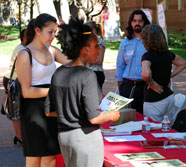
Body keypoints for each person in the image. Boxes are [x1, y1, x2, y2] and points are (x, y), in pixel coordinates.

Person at [45, 18, 120, 167]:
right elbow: (94, 118)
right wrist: (112, 115)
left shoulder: (59, 72)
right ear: (85, 49)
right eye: (96, 46)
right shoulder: (88, 75)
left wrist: (70, 112)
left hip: (65, 136)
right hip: (85, 138)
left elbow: (49, 111)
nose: (99, 49)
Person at [15, 13, 69, 167]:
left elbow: (74, 62)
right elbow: (27, 91)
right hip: (33, 110)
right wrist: (54, 90)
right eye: (50, 32)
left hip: (51, 108)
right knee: (34, 157)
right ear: (38, 30)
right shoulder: (25, 54)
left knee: (50, 157)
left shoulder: (51, 50)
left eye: (55, 32)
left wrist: (71, 39)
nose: (53, 36)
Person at [141, 24, 186, 125]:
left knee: (153, 130)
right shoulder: (168, 54)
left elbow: (145, 74)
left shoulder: (147, 56)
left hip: (154, 101)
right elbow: (183, 64)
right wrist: (170, 76)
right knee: (169, 130)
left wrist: (151, 83)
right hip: (169, 98)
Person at [116, 9, 150, 114]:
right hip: (127, 86)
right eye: (134, 21)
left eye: (140, 21)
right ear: (131, 23)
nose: (137, 23)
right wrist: (120, 86)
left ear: (144, 23)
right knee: (126, 117)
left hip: (145, 86)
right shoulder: (125, 43)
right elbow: (120, 65)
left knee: (144, 117)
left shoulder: (149, 42)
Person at [1, 29, 27, 145]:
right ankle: (19, 136)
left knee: (17, 109)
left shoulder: (23, 47)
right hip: (14, 80)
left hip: (14, 79)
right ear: (24, 38)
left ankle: (20, 136)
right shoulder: (22, 49)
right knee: (15, 110)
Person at [85, 20, 106, 89]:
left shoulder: (98, 40)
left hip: (96, 73)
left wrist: (84, 60)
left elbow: (99, 60)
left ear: (93, 30)